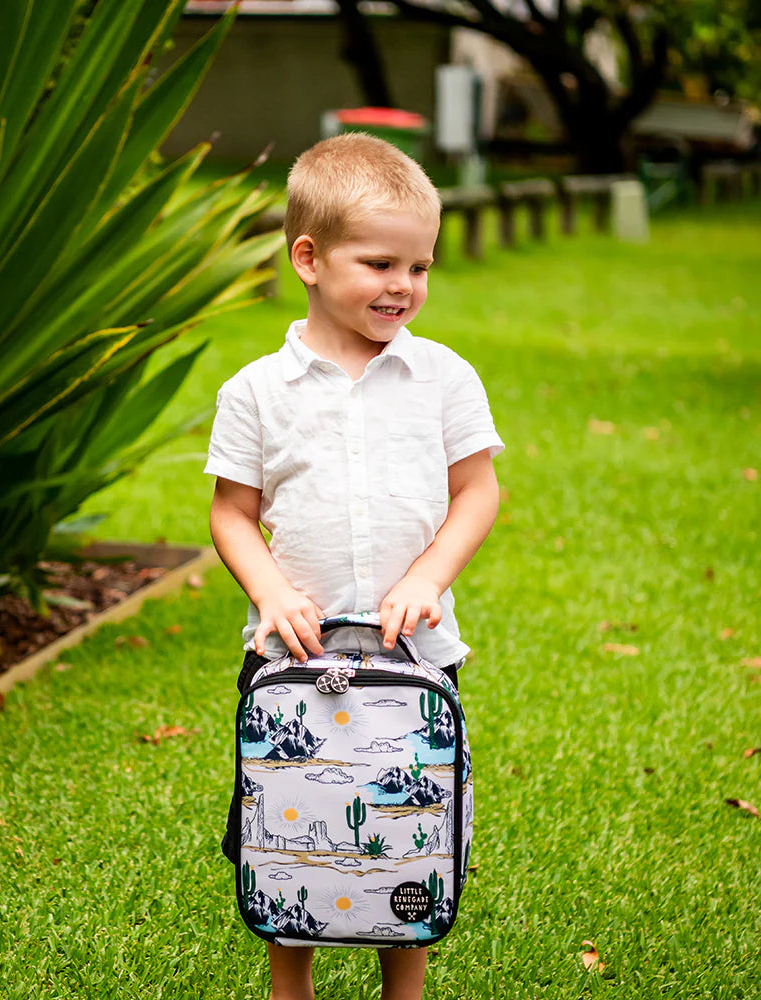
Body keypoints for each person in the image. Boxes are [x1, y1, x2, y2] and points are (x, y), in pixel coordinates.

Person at [204, 132, 504, 1000]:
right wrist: (268, 591)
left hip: (415, 655)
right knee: (289, 839)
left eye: (420, 266)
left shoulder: (442, 378)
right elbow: (232, 512)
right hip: (290, 654)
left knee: (405, 830)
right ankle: (288, 986)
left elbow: (478, 493)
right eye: (379, 263)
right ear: (308, 256)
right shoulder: (257, 391)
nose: (403, 285)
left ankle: (402, 990)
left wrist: (427, 578)